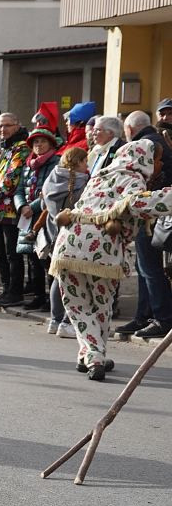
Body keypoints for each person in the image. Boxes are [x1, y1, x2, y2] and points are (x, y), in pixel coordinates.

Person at [51, 141, 162, 380]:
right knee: (100, 305)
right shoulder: (134, 180)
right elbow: (136, 210)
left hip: (69, 245)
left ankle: (89, 355)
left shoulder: (99, 175)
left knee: (78, 306)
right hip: (103, 250)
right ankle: (94, 356)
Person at [117, 110, 172, 340]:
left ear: (129, 130)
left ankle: (161, 318)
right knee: (145, 268)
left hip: (151, 213)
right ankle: (145, 315)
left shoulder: (146, 144)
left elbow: (143, 181)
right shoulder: (155, 140)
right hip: (153, 211)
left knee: (149, 268)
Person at [39, 146, 90, 338]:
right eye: (85, 161)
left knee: (58, 277)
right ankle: (67, 322)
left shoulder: (51, 179)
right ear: (77, 162)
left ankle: (55, 319)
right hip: (74, 235)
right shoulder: (82, 182)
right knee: (72, 281)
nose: (87, 165)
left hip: (53, 235)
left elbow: (44, 205)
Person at [0, 113, 29, 307]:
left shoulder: (22, 148)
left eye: (7, 126)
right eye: (0, 126)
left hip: (10, 209)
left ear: (17, 126)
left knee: (12, 254)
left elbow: (12, 178)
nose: (3, 130)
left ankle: (15, 292)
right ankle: (6, 289)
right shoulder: (2, 150)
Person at [14, 128, 61, 310]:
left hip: (45, 216)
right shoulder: (28, 165)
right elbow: (19, 189)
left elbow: (51, 192)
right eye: (35, 143)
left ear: (50, 144)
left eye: (42, 141)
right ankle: (38, 296)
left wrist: (31, 207)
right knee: (32, 258)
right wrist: (21, 205)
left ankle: (51, 299)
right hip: (28, 217)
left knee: (46, 257)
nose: (38, 145)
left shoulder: (56, 163)